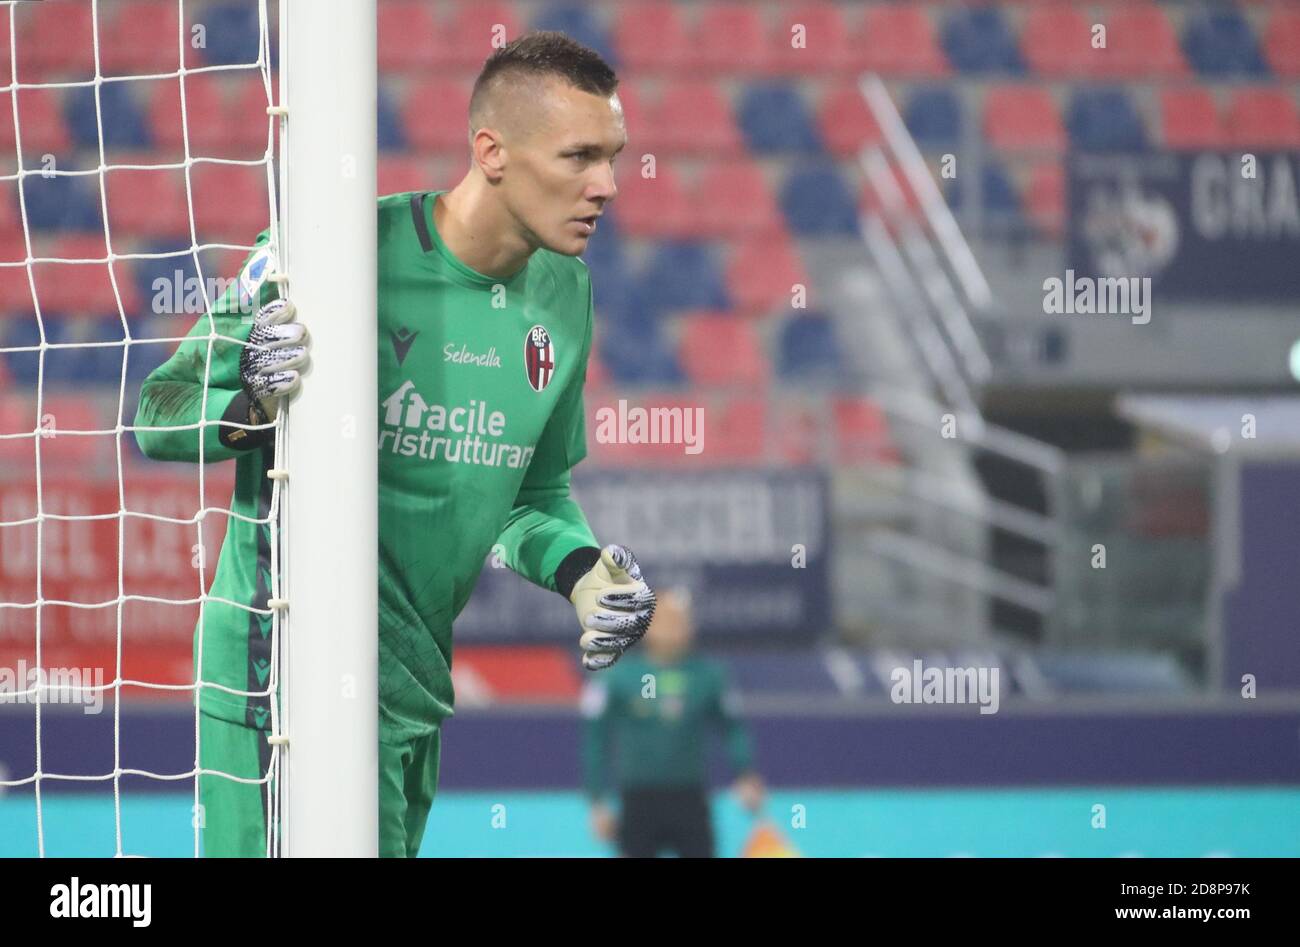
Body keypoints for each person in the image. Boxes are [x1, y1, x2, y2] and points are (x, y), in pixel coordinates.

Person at [133, 31, 655, 857]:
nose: (609, 186)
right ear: (491, 152)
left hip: (415, 690)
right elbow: (157, 412)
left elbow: (533, 493)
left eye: (616, 157)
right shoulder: (329, 252)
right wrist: (253, 394)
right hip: (280, 673)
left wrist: (582, 571)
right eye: (581, 156)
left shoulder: (567, 294)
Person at [582, 589, 765, 857]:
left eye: (679, 619)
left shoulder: (709, 676)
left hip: (689, 797)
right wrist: (597, 801)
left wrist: (746, 774)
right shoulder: (618, 678)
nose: (673, 627)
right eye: (664, 620)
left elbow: (733, 727)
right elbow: (595, 738)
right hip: (638, 800)